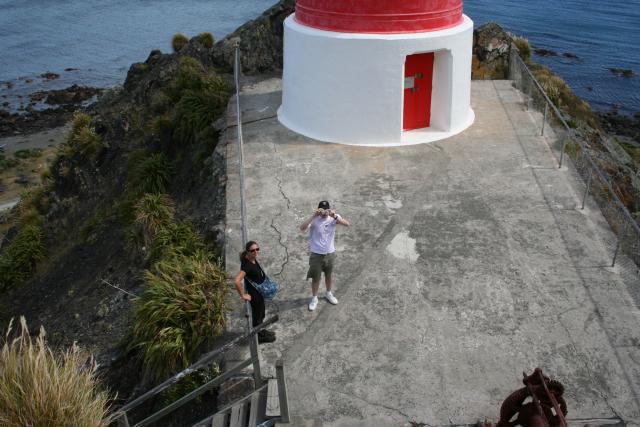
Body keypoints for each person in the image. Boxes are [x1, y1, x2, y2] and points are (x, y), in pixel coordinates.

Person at [299, 201, 350, 311]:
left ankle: (328, 293)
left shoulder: (333, 218)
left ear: (329, 209)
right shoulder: (314, 220)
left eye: (326, 210)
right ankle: (314, 298)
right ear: (319, 210)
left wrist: (335, 216)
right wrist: (313, 215)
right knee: (316, 277)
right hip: (316, 254)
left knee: (328, 275)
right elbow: (302, 228)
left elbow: (347, 224)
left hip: (330, 253)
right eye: (322, 210)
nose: (324, 213)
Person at [234, 241, 276, 343]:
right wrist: (243, 295)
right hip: (255, 295)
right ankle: (259, 337)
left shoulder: (251, 258)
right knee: (258, 316)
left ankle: (261, 331)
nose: (256, 252)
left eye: (257, 249)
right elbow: (237, 281)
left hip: (259, 292)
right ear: (248, 252)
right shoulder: (247, 265)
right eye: (252, 250)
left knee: (261, 314)